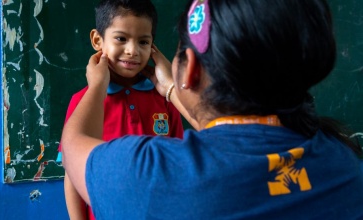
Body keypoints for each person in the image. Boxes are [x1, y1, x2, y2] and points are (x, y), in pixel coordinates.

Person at [61, 0, 363, 219]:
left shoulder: (153, 174)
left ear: (189, 69)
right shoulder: (345, 162)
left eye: (144, 41)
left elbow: (75, 146)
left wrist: (96, 86)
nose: (132, 50)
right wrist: (170, 89)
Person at [59, 0, 184, 219]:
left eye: (143, 42)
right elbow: (72, 174)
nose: (132, 50)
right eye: (121, 38)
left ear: (153, 47)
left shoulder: (166, 99)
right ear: (98, 40)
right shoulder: (83, 101)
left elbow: (178, 166)